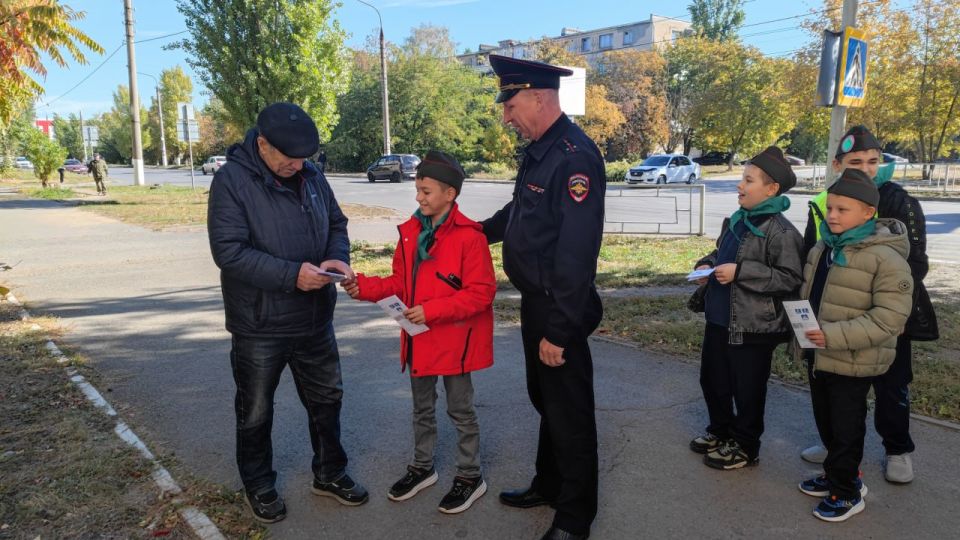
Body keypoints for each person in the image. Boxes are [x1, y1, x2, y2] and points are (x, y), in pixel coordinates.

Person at [207, 102, 368, 524]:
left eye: (304, 159)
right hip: (259, 324)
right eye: (289, 158)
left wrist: (336, 257)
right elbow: (229, 251)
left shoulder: (311, 176)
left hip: (314, 317)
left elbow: (337, 223)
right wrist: (291, 275)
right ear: (262, 144)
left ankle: (330, 473)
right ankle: (259, 483)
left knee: (327, 400)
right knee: (256, 409)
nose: (298, 166)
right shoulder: (231, 181)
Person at [480, 54, 605, 540]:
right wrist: (475, 232)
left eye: (510, 105)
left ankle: (575, 520)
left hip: (560, 306)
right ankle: (549, 483)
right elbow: (521, 209)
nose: (506, 116)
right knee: (546, 400)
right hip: (538, 301)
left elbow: (577, 251)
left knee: (570, 413)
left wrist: (559, 328)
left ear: (538, 97)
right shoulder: (543, 150)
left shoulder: (575, 156)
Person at [342, 150, 496, 514]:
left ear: (450, 194)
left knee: (461, 410)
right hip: (419, 337)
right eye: (417, 189)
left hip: (455, 341)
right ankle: (422, 467)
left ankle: (470, 475)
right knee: (421, 409)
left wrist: (433, 310)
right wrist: (361, 286)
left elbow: (482, 293)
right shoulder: (411, 232)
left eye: (426, 191)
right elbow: (399, 282)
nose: (418, 197)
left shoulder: (470, 237)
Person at [800, 125, 938, 483]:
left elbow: (915, 262)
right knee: (834, 386)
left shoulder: (896, 200)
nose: (866, 168)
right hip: (837, 310)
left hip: (886, 310)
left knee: (891, 384)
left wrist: (897, 309)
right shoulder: (825, 202)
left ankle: (897, 448)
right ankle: (836, 447)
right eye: (855, 161)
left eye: (873, 161)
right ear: (837, 163)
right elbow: (810, 253)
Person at [795, 168, 913, 522]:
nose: (832, 215)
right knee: (827, 422)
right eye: (830, 208)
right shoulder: (824, 247)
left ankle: (847, 493)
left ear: (868, 213)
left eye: (842, 210)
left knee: (847, 428)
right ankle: (838, 475)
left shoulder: (886, 258)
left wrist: (832, 335)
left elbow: (888, 319)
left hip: (854, 359)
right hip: (819, 354)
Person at [688, 146, 804, 470]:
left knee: (747, 388)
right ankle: (721, 431)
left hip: (754, 327)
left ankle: (746, 445)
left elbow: (790, 278)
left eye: (748, 180)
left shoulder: (781, 232)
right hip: (720, 320)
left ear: (771, 189)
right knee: (714, 380)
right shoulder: (737, 221)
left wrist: (741, 273)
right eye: (742, 178)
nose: (740, 186)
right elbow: (720, 255)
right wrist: (706, 267)